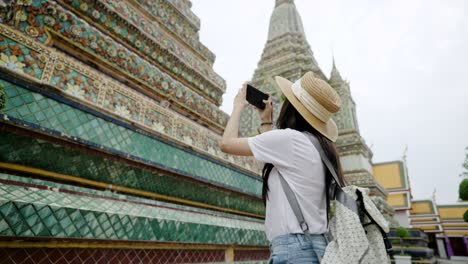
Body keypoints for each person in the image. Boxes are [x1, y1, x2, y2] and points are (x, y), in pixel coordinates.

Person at [219, 71, 346, 263]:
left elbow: (227, 143)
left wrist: (237, 107)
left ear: (291, 107)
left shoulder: (291, 140)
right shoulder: (320, 146)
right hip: (316, 245)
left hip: (295, 248)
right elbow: (280, 163)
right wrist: (266, 122)